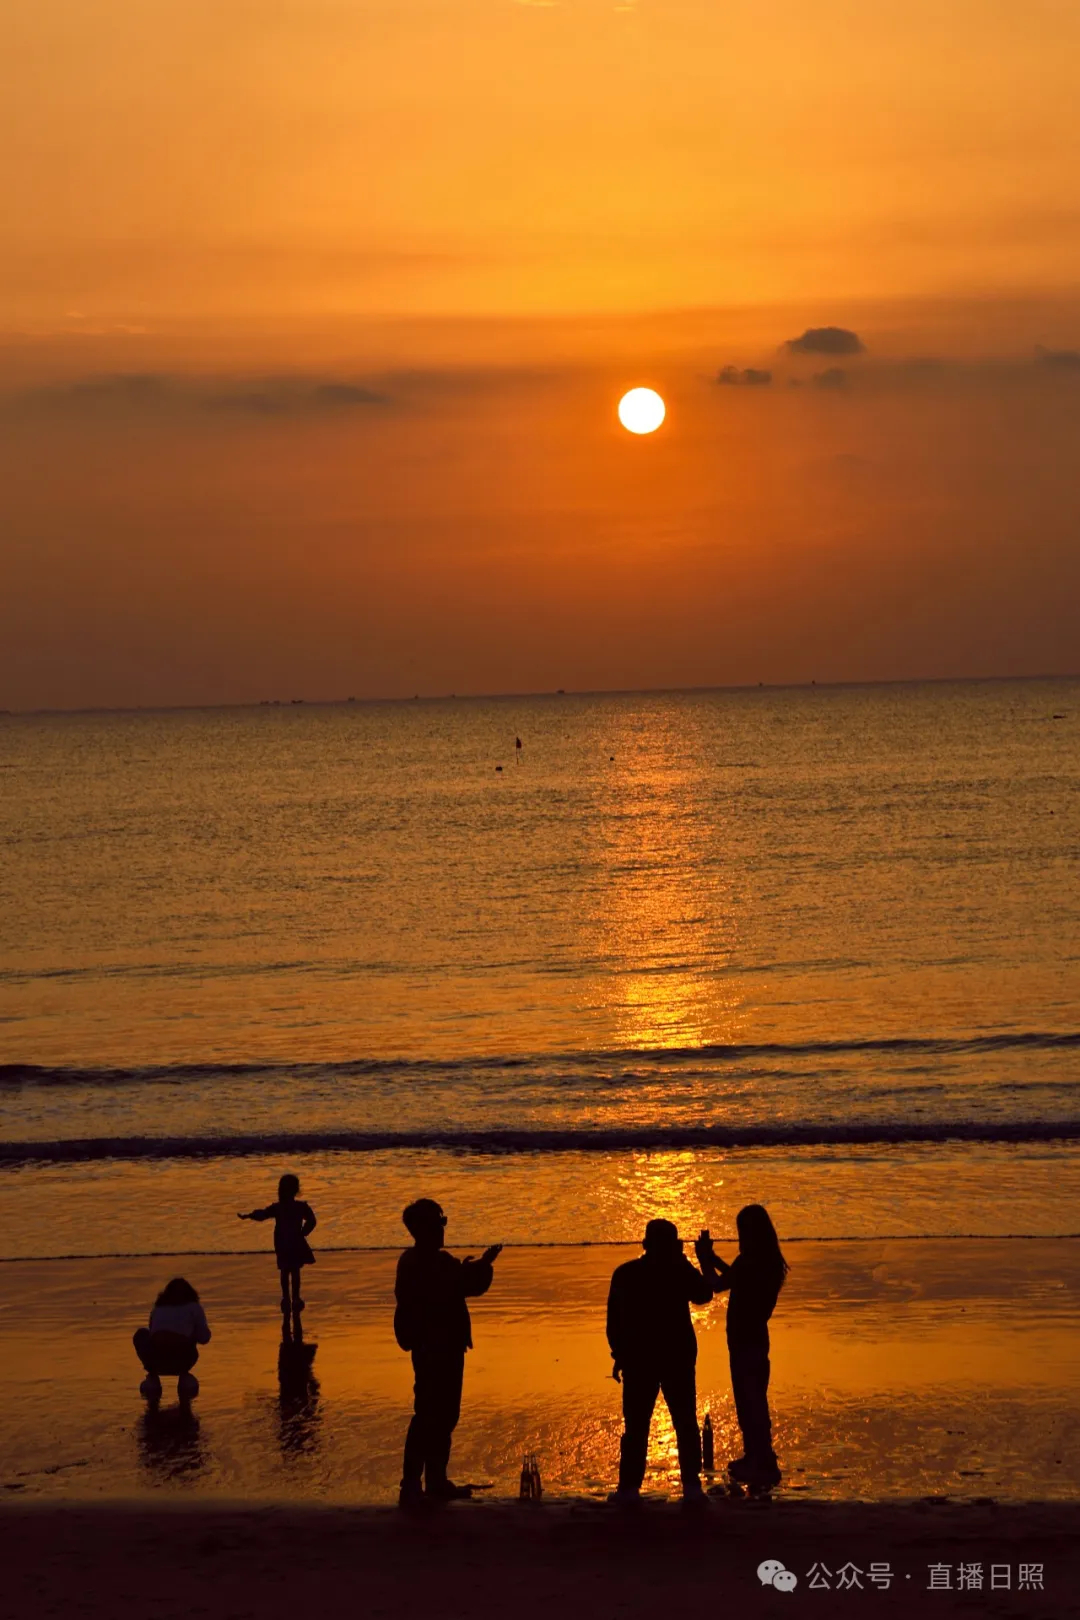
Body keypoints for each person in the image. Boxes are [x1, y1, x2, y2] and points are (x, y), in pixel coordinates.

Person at [394, 1198, 501, 1509]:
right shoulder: (425, 1263)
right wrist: (481, 1266)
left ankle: (435, 1480)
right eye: (439, 1224)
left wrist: (479, 1266)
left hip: (445, 1345)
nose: (443, 1229)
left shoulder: (422, 1261)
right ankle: (414, 1483)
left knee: (444, 1414)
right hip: (433, 1346)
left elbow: (464, 1283)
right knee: (430, 1413)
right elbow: (466, 1285)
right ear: (423, 1229)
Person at [605, 1218, 716, 1506]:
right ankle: (691, 1487)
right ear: (674, 1245)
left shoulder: (626, 1273)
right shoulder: (678, 1270)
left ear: (644, 1244)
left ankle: (629, 1489)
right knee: (684, 1422)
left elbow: (614, 1323)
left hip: (640, 1356)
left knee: (637, 1425)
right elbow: (704, 1294)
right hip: (676, 1355)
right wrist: (694, 1260)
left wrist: (619, 1355)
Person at [697, 1204, 788, 1489]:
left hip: (743, 1339)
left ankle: (759, 1460)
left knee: (749, 1403)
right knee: (755, 1400)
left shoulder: (749, 1261)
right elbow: (735, 1278)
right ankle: (760, 1458)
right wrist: (714, 1259)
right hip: (757, 1336)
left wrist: (703, 1260)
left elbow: (716, 1285)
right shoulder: (768, 1261)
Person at [238, 1173, 317, 1317]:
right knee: (295, 1270)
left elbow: (263, 1215)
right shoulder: (300, 1206)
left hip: (281, 1240)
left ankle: (286, 1298)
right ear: (296, 1190)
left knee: (285, 1270)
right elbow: (312, 1220)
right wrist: (303, 1232)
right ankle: (296, 1298)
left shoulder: (278, 1207)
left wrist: (249, 1215)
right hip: (295, 1240)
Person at [133, 1277, 211, 1402]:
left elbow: (152, 1332)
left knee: (141, 1334)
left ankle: (153, 1376)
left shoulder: (157, 1308)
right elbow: (204, 1338)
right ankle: (184, 1376)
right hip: (183, 1360)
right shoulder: (194, 1308)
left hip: (155, 1359)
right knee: (189, 1336)